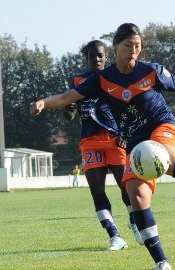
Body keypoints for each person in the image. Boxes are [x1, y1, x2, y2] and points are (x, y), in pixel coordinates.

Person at [30, 23, 175, 270]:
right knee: (136, 196)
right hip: (136, 143)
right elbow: (65, 98)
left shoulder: (153, 71)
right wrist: (42, 102)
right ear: (116, 45)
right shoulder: (101, 80)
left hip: (162, 127)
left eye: (137, 46)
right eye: (128, 46)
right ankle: (161, 262)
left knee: (168, 159)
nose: (133, 51)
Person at [62, 40, 143, 250]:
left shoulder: (115, 77)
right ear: (86, 58)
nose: (96, 59)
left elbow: (129, 108)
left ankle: (135, 222)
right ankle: (114, 236)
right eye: (92, 56)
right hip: (90, 142)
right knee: (97, 191)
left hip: (116, 139)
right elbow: (69, 115)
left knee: (126, 188)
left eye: (100, 55)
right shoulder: (79, 81)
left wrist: (126, 132)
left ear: (107, 56)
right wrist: (68, 108)